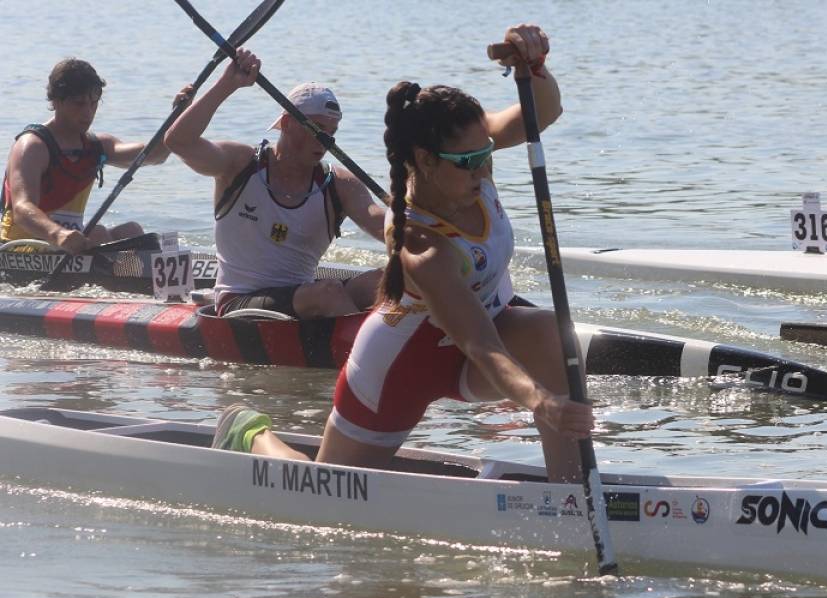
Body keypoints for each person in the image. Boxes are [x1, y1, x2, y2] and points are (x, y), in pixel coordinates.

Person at [211, 24, 593, 483]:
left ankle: (571, 492)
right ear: (426, 160)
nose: (483, 168)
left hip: (475, 344)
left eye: (486, 154)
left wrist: (535, 68)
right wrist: (542, 402)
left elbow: (542, 113)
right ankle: (251, 433)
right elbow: (481, 345)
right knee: (329, 490)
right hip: (399, 367)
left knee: (553, 332)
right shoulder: (420, 242)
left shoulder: (470, 153)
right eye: (469, 163)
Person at [165, 51, 386, 319]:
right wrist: (227, 85)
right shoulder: (241, 164)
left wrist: (419, 222)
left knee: (393, 279)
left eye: (331, 132)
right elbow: (179, 142)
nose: (325, 141)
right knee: (328, 293)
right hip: (238, 302)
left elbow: (384, 226)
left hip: (302, 298)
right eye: (317, 128)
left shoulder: (340, 184)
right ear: (287, 124)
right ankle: (366, 344)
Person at [1, 58, 180, 254]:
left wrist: (179, 116)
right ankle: (124, 272)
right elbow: (22, 208)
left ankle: (145, 272)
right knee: (98, 234)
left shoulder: (96, 146)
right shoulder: (32, 146)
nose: (88, 113)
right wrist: (58, 234)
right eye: (79, 104)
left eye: (93, 104)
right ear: (56, 101)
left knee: (132, 231)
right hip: (18, 248)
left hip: (62, 246)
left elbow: (156, 155)